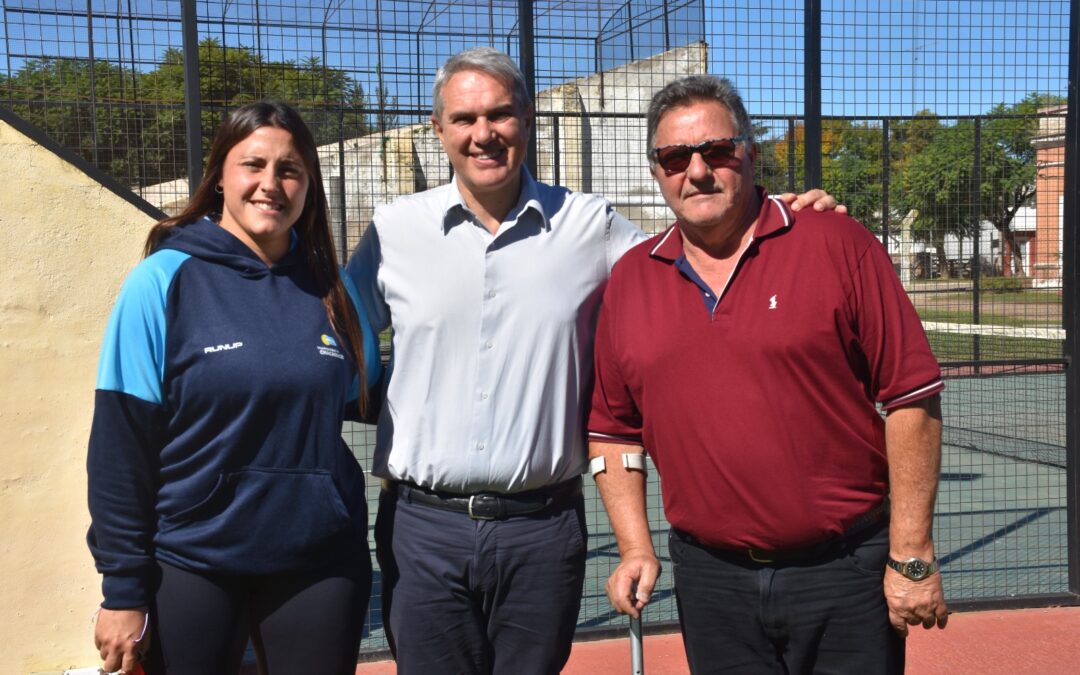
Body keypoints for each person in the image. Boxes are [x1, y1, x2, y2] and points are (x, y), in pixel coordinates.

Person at [347, 48, 841, 674]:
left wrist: (775, 217)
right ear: (439, 129)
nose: (484, 133)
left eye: (500, 114)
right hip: (422, 529)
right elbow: (332, 337)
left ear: (526, 120)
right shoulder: (394, 229)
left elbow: (692, 256)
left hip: (542, 527)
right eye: (464, 118)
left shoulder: (591, 225)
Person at [587, 74, 949, 674]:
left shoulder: (837, 241)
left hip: (844, 571)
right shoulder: (630, 278)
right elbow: (614, 430)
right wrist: (633, 547)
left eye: (717, 151)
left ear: (750, 154)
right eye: (675, 157)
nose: (697, 171)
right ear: (657, 172)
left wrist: (912, 555)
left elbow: (912, 398)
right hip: (710, 580)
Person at [87, 101, 382, 675]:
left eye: (290, 169)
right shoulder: (163, 281)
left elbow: (365, 395)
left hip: (318, 560)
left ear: (308, 187)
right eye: (253, 165)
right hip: (193, 559)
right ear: (220, 176)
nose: (271, 184)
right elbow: (121, 449)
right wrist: (122, 588)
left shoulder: (333, 287)